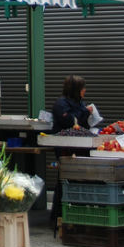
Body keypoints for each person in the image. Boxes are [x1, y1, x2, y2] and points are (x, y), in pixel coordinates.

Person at [49, 74, 93, 233]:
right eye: (82, 88)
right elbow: (70, 122)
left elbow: (82, 123)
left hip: (81, 146)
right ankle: (59, 214)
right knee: (65, 178)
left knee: (80, 178)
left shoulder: (80, 103)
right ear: (76, 89)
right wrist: (85, 113)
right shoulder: (61, 104)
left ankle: (78, 212)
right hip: (66, 147)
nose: (84, 91)